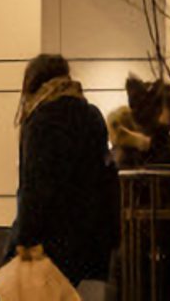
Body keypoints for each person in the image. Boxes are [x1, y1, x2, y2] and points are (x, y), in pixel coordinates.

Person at [7, 53, 118, 299]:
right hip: (91, 244)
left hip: (51, 245)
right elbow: (107, 179)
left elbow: (35, 188)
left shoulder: (40, 121)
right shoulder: (92, 116)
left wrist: (23, 239)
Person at [107, 76, 170, 301]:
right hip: (149, 254)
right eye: (169, 106)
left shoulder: (159, 146)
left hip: (155, 253)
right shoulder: (148, 149)